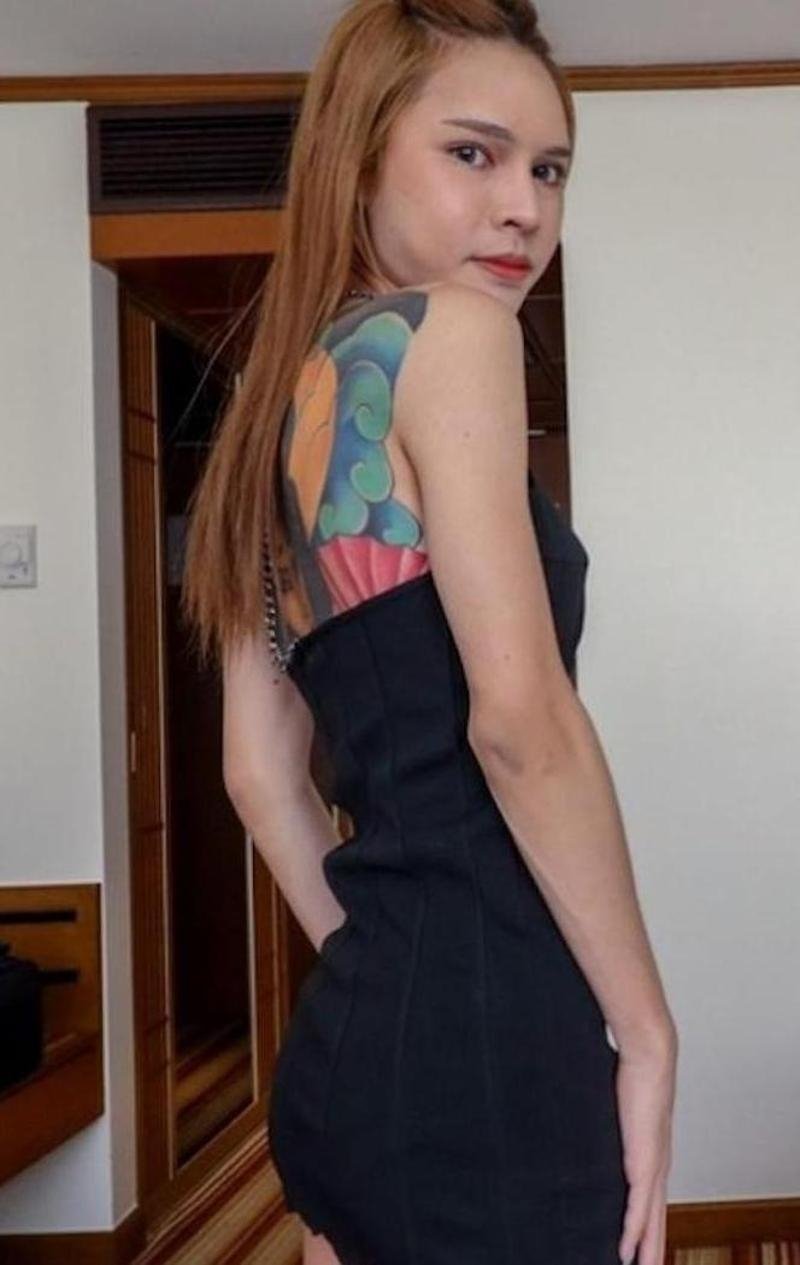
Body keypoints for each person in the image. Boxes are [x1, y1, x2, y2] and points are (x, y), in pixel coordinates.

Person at [181, 1, 678, 1262]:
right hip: (492, 1075)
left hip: (357, 1053)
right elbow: (520, 725)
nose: (522, 207)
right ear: (356, 158)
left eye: (548, 169)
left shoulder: (270, 405)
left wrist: (392, 975)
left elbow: (257, 775)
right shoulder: (452, 334)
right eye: (472, 153)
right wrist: (647, 1030)